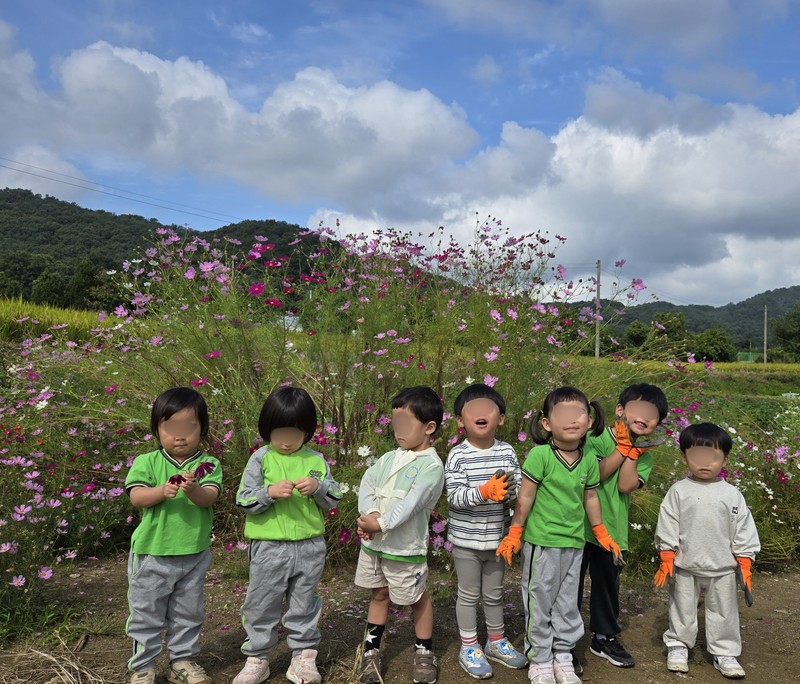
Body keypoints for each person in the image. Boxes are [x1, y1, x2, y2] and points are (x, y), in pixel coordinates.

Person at [497, 386, 623, 684]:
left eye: (578, 412)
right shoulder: (540, 455)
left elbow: (590, 498)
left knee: (567, 602)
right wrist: (515, 533)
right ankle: (539, 658)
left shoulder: (589, 459)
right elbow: (525, 498)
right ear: (546, 423)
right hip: (542, 543)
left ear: (590, 421)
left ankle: (563, 654)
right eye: (563, 414)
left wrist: (601, 533)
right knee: (539, 599)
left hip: (575, 543)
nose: (572, 419)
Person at [232, 386, 342, 684]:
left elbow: (334, 497)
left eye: (294, 433)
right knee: (261, 602)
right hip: (269, 546)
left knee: (304, 603)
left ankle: (303, 658)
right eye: (278, 433)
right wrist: (268, 493)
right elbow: (243, 500)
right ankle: (257, 658)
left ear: (306, 432)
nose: (285, 440)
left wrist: (318, 489)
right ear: (267, 430)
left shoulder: (316, 461)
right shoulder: (261, 459)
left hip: (309, 546)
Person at [124, 387, 222, 684]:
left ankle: (182, 661)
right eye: (171, 428)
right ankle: (143, 665)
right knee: (146, 612)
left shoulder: (208, 465)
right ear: (157, 429)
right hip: (152, 552)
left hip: (193, 553)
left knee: (188, 612)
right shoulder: (147, 462)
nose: (180, 436)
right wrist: (160, 491)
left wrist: (193, 489)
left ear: (202, 429)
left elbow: (209, 498)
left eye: (188, 428)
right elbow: (137, 497)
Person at [654, 422, 760, 679]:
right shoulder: (678, 491)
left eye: (712, 457)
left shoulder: (732, 494)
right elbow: (667, 523)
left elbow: (743, 529)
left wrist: (744, 564)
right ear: (684, 456)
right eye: (697, 456)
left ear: (724, 458)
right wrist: (667, 556)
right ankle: (678, 644)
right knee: (682, 607)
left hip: (722, 566)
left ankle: (724, 651)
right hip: (685, 564)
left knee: (724, 609)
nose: (705, 463)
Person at [354, 385, 445, 684]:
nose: (398, 430)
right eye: (395, 423)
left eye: (405, 424)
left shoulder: (431, 466)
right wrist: (371, 515)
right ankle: (370, 652)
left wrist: (381, 523)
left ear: (429, 427)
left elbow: (412, 503)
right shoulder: (388, 458)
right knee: (378, 593)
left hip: (405, 548)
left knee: (416, 598)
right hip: (375, 546)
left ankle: (424, 651)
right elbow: (368, 484)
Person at [576, 383, 669, 672]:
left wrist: (632, 451)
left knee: (608, 587)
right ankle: (563, 642)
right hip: (578, 527)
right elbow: (597, 473)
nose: (644, 417)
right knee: (569, 586)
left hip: (613, 531)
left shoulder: (646, 455)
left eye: (652, 415)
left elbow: (625, 484)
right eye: (638, 410)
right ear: (620, 410)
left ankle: (603, 637)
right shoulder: (595, 436)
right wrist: (623, 446)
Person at [444, 383, 527, 678]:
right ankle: (469, 645)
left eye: (488, 410)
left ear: (500, 418)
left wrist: (505, 492)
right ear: (460, 420)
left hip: (498, 540)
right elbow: (454, 496)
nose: (481, 415)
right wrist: (484, 491)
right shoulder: (458, 455)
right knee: (468, 594)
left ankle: (496, 641)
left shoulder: (507, 451)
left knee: (493, 595)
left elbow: (517, 489)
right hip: (466, 541)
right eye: (473, 410)